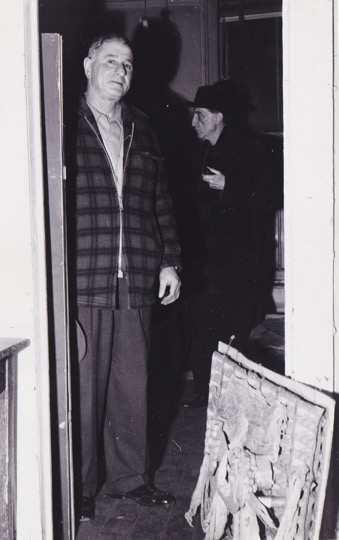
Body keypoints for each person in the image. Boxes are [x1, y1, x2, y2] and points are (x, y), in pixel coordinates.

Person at [68, 33, 181, 522]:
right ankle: (82, 484)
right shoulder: (62, 123)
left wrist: (169, 259)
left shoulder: (144, 128)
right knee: (84, 386)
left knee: (132, 383)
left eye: (128, 64)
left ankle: (131, 480)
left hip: (136, 270)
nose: (120, 71)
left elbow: (161, 203)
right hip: (83, 274)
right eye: (110, 60)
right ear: (88, 64)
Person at [182, 79, 278, 408]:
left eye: (200, 116)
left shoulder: (248, 147)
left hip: (236, 267)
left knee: (231, 333)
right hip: (203, 264)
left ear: (219, 117)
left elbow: (267, 198)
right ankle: (205, 397)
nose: (194, 122)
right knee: (203, 331)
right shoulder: (198, 150)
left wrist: (229, 186)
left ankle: (231, 403)